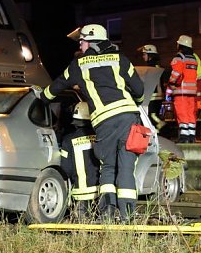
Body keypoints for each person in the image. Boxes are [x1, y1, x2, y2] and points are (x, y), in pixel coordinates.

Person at [43, 24, 145, 221]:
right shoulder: (120, 59)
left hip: (105, 122)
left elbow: (56, 86)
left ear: (89, 41)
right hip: (129, 118)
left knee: (107, 167)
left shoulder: (78, 64)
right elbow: (139, 91)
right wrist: (137, 103)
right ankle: (128, 216)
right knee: (126, 166)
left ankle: (107, 214)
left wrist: (42, 97)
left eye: (81, 41)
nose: (80, 45)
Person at [60, 101, 100, 219]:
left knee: (82, 224)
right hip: (100, 193)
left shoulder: (68, 140)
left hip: (80, 194)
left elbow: (65, 169)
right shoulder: (100, 137)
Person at [167, 35, 201, 143]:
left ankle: (184, 136)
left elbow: (176, 73)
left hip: (180, 91)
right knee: (190, 113)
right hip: (192, 92)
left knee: (182, 112)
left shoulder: (179, 58)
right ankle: (191, 135)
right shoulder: (193, 59)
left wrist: (171, 82)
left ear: (180, 45)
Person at [137, 44, 167, 130]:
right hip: (156, 95)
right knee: (152, 116)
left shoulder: (151, 67)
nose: (143, 57)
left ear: (150, 55)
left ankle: (163, 126)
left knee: (152, 116)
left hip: (154, 96)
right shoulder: (157, 66)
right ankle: (158, 132)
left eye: (144, 54)